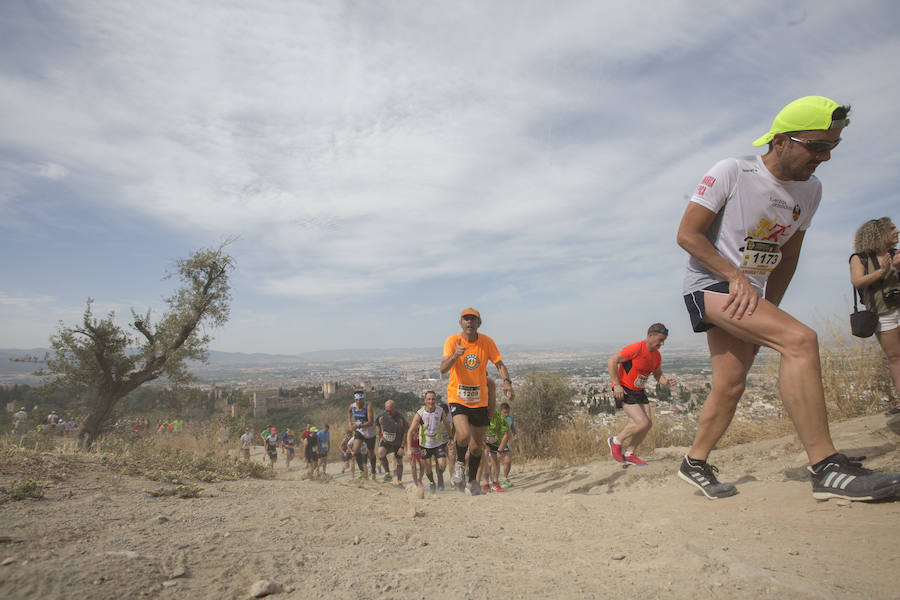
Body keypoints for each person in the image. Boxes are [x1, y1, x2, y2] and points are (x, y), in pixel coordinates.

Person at [677, 95, 900, 501]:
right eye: (817, 146)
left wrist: (770, 305)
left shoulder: (811, 191)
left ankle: (694, 461)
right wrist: (735, 277)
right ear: (781, 141)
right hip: (710, 285)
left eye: (832, 147)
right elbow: (687, 235)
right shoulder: (733, 171)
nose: (825, 156)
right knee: (801, 340)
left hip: (750, 293)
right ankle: (826, 467)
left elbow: (789, 254)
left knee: (730, 386)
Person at [441, 307, 514, 495]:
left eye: (473, 319)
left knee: (475, 447)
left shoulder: (486, 342)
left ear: (479, 323)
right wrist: (454, 356)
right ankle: (459, 465)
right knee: (463, 436)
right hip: (457, 397)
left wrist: (507, 382)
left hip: (479, 400)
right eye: (466, 319)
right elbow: (442, 369)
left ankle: (473, 479)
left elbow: (499, 363)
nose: (469, 322)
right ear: (460, 323)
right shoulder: (452, 342)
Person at [606, 324, 677, 466]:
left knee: (647, 424)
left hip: (639, 390)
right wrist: (617, 385)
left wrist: (665, 382)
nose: (662, 344)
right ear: (650, 336)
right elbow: (612, 361)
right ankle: (616, 441)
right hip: (625, 389)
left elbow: (657, 374)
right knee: (642, 422)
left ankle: (629, 453)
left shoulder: (656, 355)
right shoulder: (636, 348)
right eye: (660, 340)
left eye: (664, 341)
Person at [850, 217, 900, 414]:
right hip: (881, 313)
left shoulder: (896, 254)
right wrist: (884, 271)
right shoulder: (860, 258)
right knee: (895, 357)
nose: (896, 231)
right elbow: (858, 281)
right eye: (892, 229)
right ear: (879, 234)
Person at [408, 390, 453, 493]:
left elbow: (447, 424)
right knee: (427, 467)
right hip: (425, 445)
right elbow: (410, 432)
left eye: (433, 399)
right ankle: (432, 482)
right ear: (425, 400)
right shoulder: (420, 414)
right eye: (429, 399)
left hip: (438, 443)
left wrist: (450, 438)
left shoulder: (440, 411)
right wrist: (409, 449)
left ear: (435, 400)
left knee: (442, 464)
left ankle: (440, 478)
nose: (431, 401)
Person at [375, 400, 408, 485]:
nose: (388, 413)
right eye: (387, 411)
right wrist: (380, 436)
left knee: (399, 461)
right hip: (386, 441)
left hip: (398, 443)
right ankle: (387, 474)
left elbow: (406, 432)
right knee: (380, 452)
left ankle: (399, 481)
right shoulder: (382, 416)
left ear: (395, 409)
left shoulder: (400, 418)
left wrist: (402, 447)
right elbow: (377, 424)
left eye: (390, 411)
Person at [348, 391, 378, 481]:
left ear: (363, 399)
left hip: (369, 432)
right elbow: (349, 412)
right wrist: (349, 423)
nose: (358, 402)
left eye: (360, 400)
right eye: (357, 400)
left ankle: (373, 471)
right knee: (355, 450)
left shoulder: (368, 406)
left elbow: (371, 422)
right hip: (359, 431)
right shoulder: (352, 406)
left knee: (371, 453)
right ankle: (361, 470)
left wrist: (358, 425)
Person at [481, 406, 511, 493]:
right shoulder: (480, 416)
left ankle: (495, 482)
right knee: (484, 459)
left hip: (496, 441)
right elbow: (476, 432)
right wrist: (483, 444)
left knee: (496, 460)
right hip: (483, 439)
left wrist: (499, 450)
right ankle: (486, 484)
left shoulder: (501, 417)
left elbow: (507, 434)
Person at [498, 402, 517, 487]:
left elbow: (512, 427)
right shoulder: (496, 418)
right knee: (491, 463)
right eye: (504, 412)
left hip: (504, 443)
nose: (506, 414)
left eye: (507, 412)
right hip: (495, 442)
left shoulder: (510, 418)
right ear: (500, 411)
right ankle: (492, 480)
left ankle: (505, 479)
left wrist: (515, 434)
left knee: (508, 460)